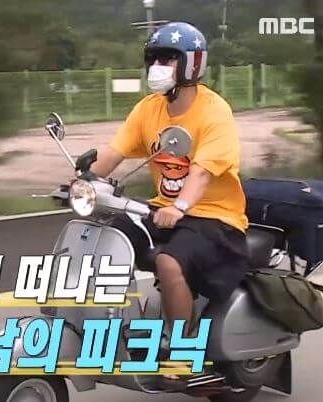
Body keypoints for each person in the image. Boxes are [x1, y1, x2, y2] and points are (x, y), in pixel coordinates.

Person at [88, 21, 250, 363]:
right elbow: (114, 152)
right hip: (162, 209)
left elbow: (201, 172)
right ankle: (116, 326)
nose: (157, 67)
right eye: (154, 59)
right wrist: (80, 180)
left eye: (167, 59)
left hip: (214, 217)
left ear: (192, 64)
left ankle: (182, 349)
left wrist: (180, 206)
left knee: (169, 262)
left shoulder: (214, 111)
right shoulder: (149, 107)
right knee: (104, 238)